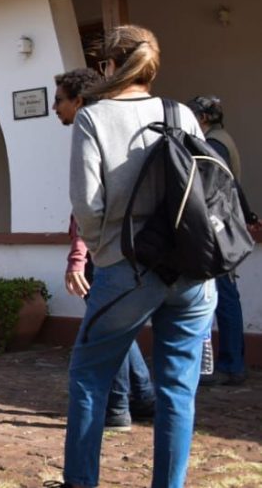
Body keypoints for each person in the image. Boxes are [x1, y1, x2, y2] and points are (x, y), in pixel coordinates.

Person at [56, 25, 216, 488]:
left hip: (127, 268)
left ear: (108, 64)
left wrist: (103, 255)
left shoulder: (93, 117)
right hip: (188, 267)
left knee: (89, 377)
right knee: (177, 391)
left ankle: (80, 482)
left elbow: (87, 205)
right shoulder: (181, 112)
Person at [56, 69, 156, 430]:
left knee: (102, 335)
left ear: (79, 101)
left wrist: (81, 256)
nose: (55, 108)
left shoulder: (92, 123)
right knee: (119, 328)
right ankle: (143, 396)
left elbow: (89, 205)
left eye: (60, 100)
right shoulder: (120, 123)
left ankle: (116, 408)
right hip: (135, 248)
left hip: (108, 251)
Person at [188, 96, 256, 387]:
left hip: (218, 227)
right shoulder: (220, 139)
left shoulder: (214, 144)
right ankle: (233, 362)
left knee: (224, 295)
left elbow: (222, 184)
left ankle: (231, 364)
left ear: (203, 117)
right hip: (225, 225)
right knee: (225, 293)